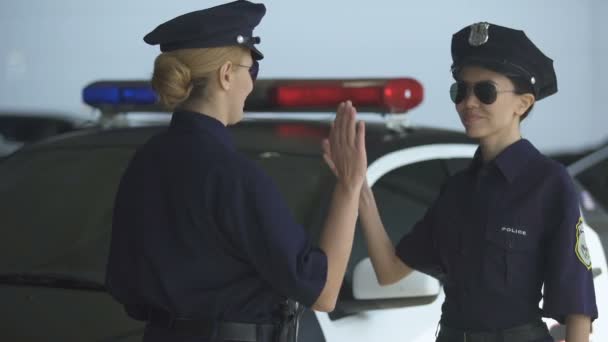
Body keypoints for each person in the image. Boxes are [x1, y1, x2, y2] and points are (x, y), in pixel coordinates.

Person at [104, 1, 367, 341]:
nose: (252, 83)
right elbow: (323, 294)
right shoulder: (234, 177)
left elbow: (125, 285)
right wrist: (349, 185)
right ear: (226, 75)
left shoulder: (145, 162)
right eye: (251, 70)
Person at [323, 22, 598, 342]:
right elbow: (389, 271)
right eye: (461, 90)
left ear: (522, 104)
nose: (469, 103)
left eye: (485, 91)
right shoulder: (457, 190)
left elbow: (576, 305)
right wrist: (358, 187)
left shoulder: (548, 183)